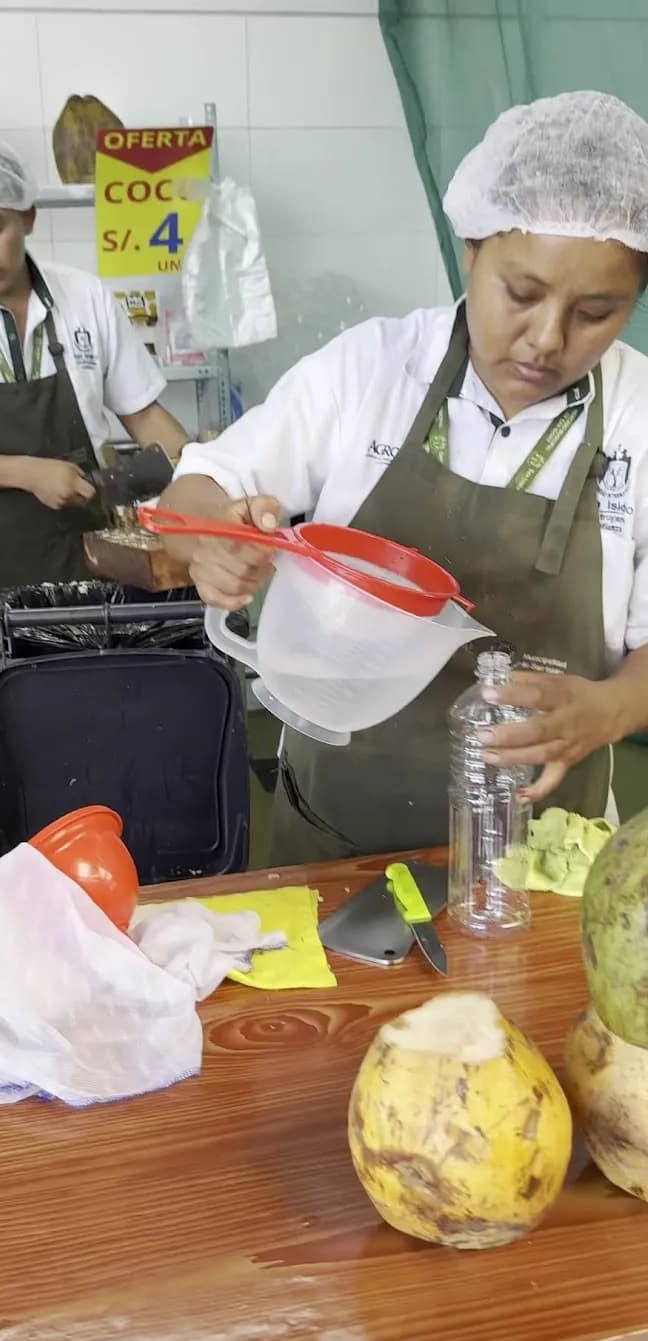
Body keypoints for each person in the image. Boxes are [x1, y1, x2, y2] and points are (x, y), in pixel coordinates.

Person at [158, 90, 648, 865]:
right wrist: (211, 544)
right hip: (341, 826)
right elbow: (200, 488)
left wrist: (614, 707)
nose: (547, 339)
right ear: (470, 253)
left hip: (543, 850)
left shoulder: (639, 417)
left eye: (597, 312)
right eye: (520, 295)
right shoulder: (371, 370)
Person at [0, 136, 188, 886]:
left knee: (92, 736)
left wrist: (210, 486)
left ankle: (102, 882)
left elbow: (147, 417)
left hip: (85, 559)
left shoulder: (84, 297)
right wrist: (25, 472)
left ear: (27, 217)